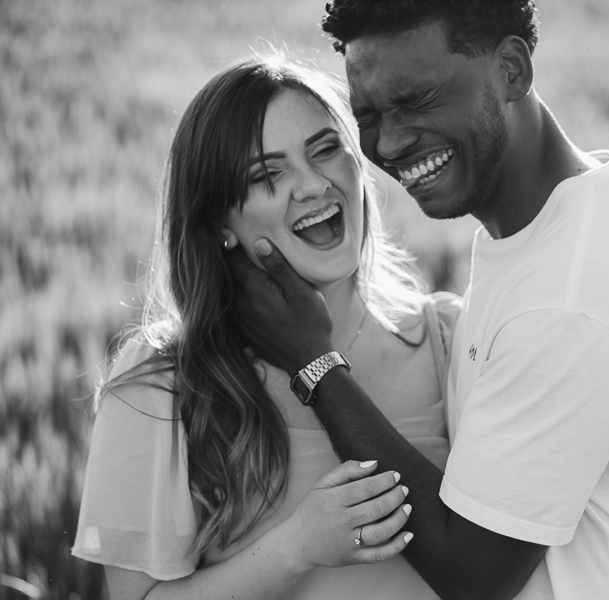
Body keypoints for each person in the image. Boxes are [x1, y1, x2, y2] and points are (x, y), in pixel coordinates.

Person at [229, 1, 609, 600]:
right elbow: (586, 436)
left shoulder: (566, 296)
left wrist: (314, 362)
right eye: (367, 113)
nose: (387, 143)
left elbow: (473, 574)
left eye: (416, 101)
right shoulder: (571, 217)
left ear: (512, 70)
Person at [72, 54, 463, 599]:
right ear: (220, 224)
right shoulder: (163, 384)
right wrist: (295, 547)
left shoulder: (449, 339)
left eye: (326, 149)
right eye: (267, 174)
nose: (311, 186)